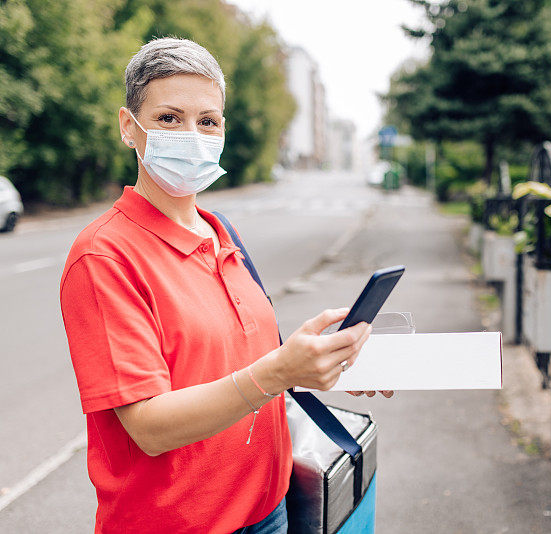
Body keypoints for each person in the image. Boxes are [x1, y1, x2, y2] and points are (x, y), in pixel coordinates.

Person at [59, 37, 391, 534]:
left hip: (269, 511)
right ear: (129, 127)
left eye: (207, 121)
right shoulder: (104, 256)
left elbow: (237, 367)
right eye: (169, 118)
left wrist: (322, 360)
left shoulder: (222, 233)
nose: (191, 135)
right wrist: (279, 371)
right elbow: (149, 428)